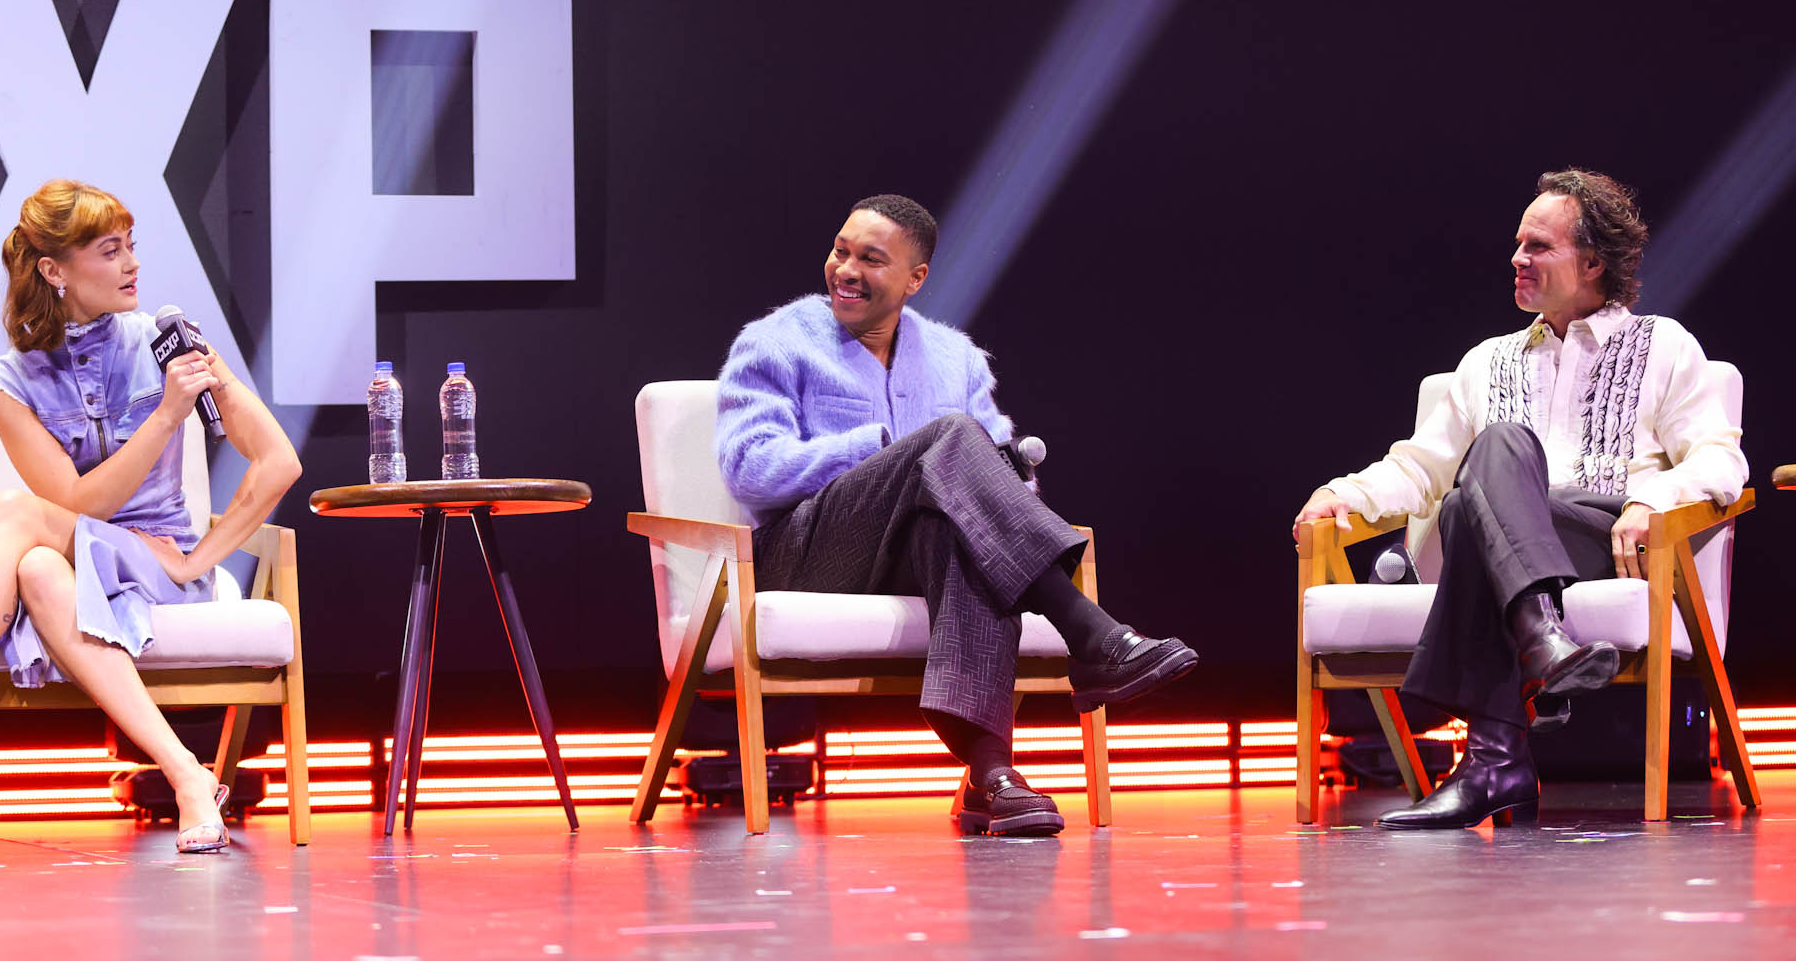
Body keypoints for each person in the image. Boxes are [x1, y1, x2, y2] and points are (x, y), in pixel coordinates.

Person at [0, 179, 302, 853]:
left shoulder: (170, 345)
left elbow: (279, 461)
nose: (132, 264)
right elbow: (80, 508)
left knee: (15, 514)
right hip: (83, 564)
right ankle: (188, 776)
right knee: (38, 569)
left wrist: (199, 558)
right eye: (110, 251)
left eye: (130, 246)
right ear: (54, 271)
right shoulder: (6, 383)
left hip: (160, 569)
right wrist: (165, 417)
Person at [716, 193, 1199, 837]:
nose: (846, 270)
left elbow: (1005, 477)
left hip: (909, 552)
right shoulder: (775, 343)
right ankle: (1090, 633)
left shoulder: (955, 356)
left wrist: (989, 474)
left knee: (957, 526)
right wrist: (877, 451)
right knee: (946, 441)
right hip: (803, 552)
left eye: (871, 259)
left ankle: (991, 777)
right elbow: (749, 466)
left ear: (915, 278)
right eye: (840, 251)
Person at [1293, 169, 1746, 829]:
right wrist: (1343, 494)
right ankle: (1531, 662)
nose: (1517, 258)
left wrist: (1655, 501)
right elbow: (1418, 466)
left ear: (1592, 262)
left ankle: (1498, 752)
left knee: (1475, 489)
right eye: (1517, 244)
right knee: (1472, 488)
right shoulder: (1487, 360)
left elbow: (1720, 459)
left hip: (1604, 539)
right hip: (1498, 549)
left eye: (1538, 246)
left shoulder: (1664, 346)